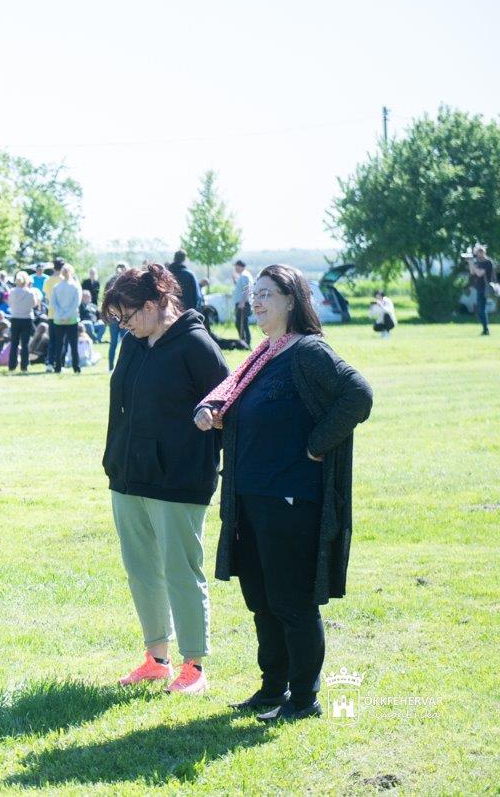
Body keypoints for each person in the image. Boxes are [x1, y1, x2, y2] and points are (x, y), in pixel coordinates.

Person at [195, 264, 373, 721]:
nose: (257, 301)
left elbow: (358, 394)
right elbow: (226, 396)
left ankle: (304, 698)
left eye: (268, 294)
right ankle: (272, 688)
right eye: (254, 294)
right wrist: (212, 409)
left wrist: (316, 446)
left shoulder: (308, 353)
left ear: (292, 300)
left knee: (291, 601)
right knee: (261, 599)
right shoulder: (262, 356)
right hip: (250, 498)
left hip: (290, 499)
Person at [101, 264, 229, 695]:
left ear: (155, 304)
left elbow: (229, 405)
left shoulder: (196, 344)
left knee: (180, 570)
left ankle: (194, 666)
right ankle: (156, 660)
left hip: (179, 479)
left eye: (129, 315)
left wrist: (212, 418)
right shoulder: (133, 344)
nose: (125, 325)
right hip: (129, 476)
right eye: (118, 318)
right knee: (141, 571)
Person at [6, 270, 42, 372]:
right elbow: (34, 304)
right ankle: (24, 366)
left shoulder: (12, 292)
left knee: (14, 343)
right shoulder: (30, 292)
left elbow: (10, 304)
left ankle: (12, 365)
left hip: (15, 318)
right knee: (25, 344)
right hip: (26, 318)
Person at [48, 264, 81, 374]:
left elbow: (53, 303)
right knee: (73, 344)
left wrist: (61, 314)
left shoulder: (56, 287)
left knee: (59, 344)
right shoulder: (75, 286)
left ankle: (57, 367)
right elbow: (75, 304)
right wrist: (67, 315)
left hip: (58, 319)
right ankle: (76, 367)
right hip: (71, 318)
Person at [467, 244, 495, 335]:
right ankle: (485, 329)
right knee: (480, 309)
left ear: (484, 252)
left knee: (482, 309)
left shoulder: (488, 262)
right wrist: (470, 262)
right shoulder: (478, 262)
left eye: (481, 252)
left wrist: (473, 264)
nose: (480, 254)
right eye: (478, 252)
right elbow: (472, 272)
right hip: (479, 288)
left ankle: (485, 329)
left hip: (485, 288)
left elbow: (479, 273)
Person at [105, 262, 128, 371]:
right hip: (118, 317)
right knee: (122, 343)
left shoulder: (110, 282)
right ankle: (113, 367)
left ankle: (113, 367)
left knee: (119, 343)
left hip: (117, 317)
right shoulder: (126, 283)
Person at [233, 260, 253, 345]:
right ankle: (244, 342)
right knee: (242, 323)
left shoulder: (244, 275)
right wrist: (234, 281)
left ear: (240, 266)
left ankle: (245, 342)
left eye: (236, 266)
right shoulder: (244, 275)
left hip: (243, 304)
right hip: (243, 303)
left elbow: (246, 289)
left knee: (241, 323)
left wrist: (243, 302)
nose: (235, 268)